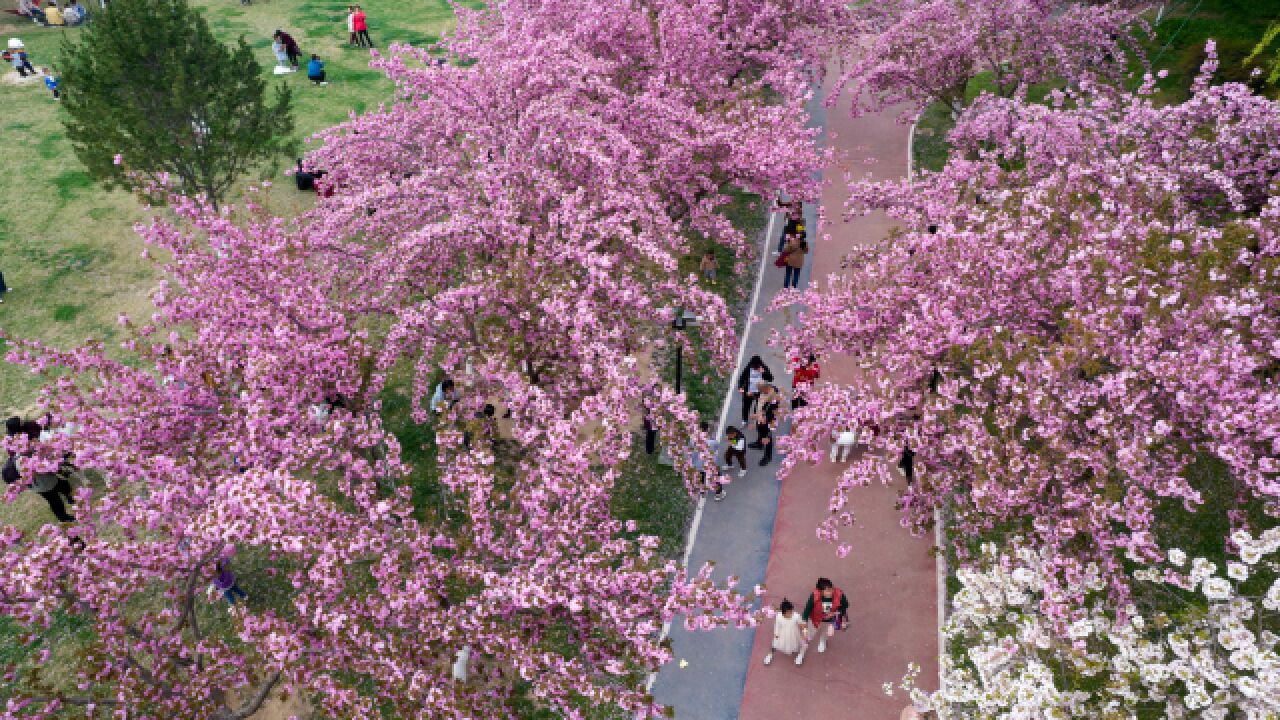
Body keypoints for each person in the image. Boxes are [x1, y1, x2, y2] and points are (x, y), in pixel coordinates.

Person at [797, 577, 849, 664]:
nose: (831, 592)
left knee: (825, 633)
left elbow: (845, 605)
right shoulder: (814, 596)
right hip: (815, 619)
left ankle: (823, 641)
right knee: (808, 636)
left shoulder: (839, 594)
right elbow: (807, 610)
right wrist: (804, 623)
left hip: (831, 620)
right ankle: (801, 653)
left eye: (831, 589)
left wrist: (836, 612)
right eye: (827, 590)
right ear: (820, 591)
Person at [763, 598, 807, 666]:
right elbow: (777, 626)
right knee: (775, 644)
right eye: (788, 613)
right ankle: (770, 655)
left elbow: (801, 624)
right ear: (783, 613)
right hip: (782, 634)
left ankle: (801, 654)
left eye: (791, 611)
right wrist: (776, 634)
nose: (791, 613)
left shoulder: (796, 616)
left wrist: (804, 631)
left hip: (794, 634)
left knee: (800, 643)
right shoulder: (779, 617)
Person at [750, 384, 782, 466]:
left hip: (767, 421)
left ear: (767, 389)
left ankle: (768, 456)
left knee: (767, 437)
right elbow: (761, 404)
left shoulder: (774, 399)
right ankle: (759, 444)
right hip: (760, 416)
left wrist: (765, 419)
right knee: (759, 430)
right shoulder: (765, 391)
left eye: (762, 391)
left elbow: (773, 413)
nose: (761, 393)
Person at [736, 355, 773, 424]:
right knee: (746, 406)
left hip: (760, 392)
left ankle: (757, 420)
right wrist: (740, 387)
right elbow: (741, 379)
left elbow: (771, 378)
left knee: (758, 407)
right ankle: (744, 419)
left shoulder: (763, 368)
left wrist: (763, 372)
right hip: (749, 391)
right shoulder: (748, 368)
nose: (755, 368)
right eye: (754, 367)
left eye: (756, 367)